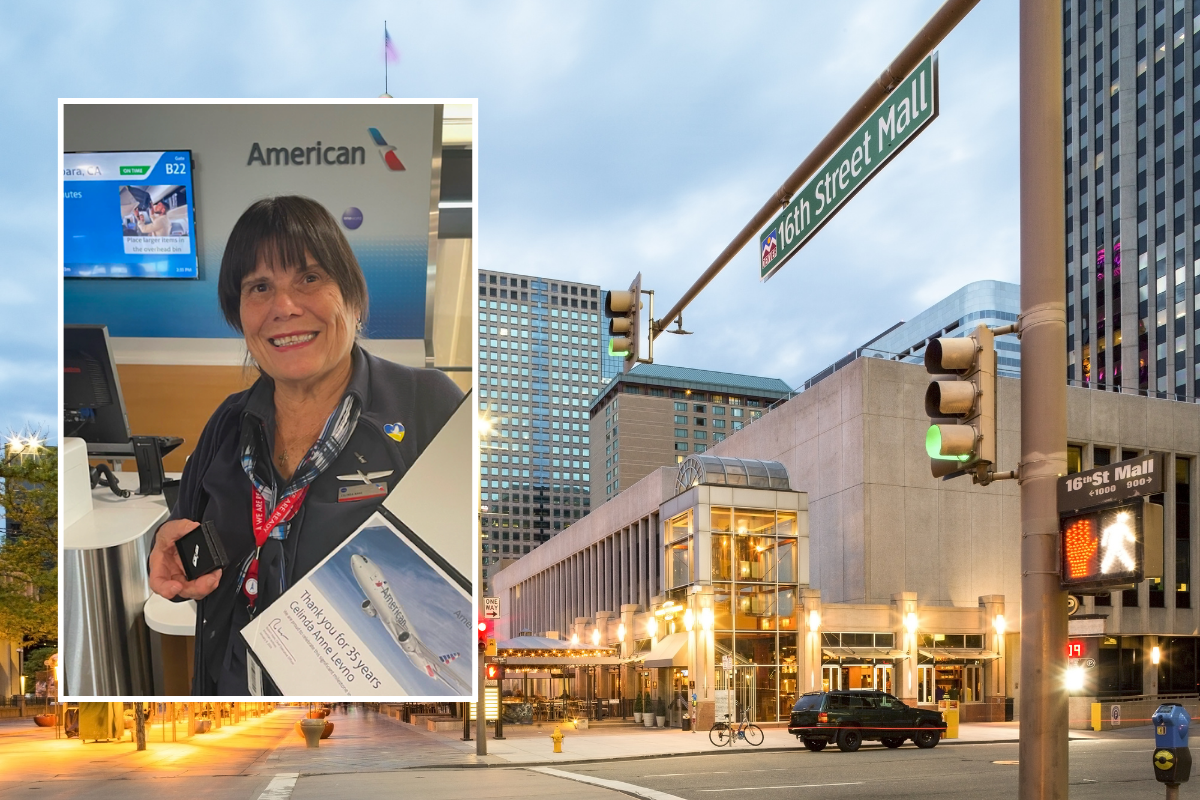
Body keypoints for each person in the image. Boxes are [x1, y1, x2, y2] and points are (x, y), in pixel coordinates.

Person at [146, 195, 463, 695]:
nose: (284, 307)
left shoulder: (426, 406)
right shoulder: (227, 424)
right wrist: (166, 557)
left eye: (309, 278)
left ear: (352, 297)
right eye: (260, 287)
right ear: (240, 314)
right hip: (232, 700)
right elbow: (183, 544)